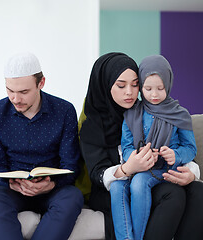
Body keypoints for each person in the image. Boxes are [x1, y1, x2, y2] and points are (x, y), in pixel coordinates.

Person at [76, 52, 203, 240]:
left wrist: (191, 172)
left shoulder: (151, 111)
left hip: (155, 174)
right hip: (113, 186)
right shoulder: (92, 124)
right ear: (105, 85)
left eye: (135, 84)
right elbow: (98, 173)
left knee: (198, 191)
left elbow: (182, 146)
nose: (129, 92)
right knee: (173, 195)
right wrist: (128, 168)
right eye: (121, 85)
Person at [0, 52, 84, 240]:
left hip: (53, 189)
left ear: (41, 83)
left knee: (73, 197)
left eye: (23, 92)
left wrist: (51, 184)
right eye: (9, 90)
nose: (15, 99)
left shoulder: (65, 111)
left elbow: (70, 165)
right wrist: (13, 185)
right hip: (12, 190)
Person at [110, 54, 197, 240]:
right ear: (141, 87)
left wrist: (176, 154)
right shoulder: (132, 114)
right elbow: (126, 146)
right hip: (142, 168)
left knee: (139, 182)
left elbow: (190, 148)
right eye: (148, 88)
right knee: (128, 185)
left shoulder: (180, 114)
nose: (154, 94)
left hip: (167, 170)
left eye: (160, 88)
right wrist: (135, 156)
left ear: (169, 84)